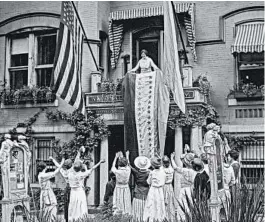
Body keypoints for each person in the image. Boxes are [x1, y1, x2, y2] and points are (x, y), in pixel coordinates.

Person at [170, 152, 197, 220]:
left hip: (183, 190)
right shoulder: (195, 172)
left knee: (183, 204)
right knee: (190, 204)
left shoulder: (183, 170)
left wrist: (172, 158)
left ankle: (182, 219)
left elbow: (175, 167)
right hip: (191, 189)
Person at [38, 157, 64, 222]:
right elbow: (55, 172)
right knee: (50, 207)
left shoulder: (41, 175)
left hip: (46, 192)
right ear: (45, 167)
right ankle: (50, 220)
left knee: (47, 207)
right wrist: (62, 164)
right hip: (47, 193)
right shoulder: (43, 175)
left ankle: (48, 219)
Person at [127, 151, 151, 222]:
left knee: (137, 207)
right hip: (146, 192)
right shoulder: (149, 173)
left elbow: (129, 166)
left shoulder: (136, 172)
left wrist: (127, 156)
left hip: (137, 192)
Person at [143, 157, 167, 222]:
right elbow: (164, 181)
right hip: (160, 190)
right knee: (159, 203)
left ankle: (151, 218)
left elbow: (148, 182)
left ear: (152, 166)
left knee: (151, 203)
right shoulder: (163, 172)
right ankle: (159, 218)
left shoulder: (152, 173)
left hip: (153, 189)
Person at [162, 155, 177, 222]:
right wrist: (172, 158)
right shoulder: (171, 169)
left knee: (164, 200)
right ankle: (170, 216)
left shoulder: (162, 170)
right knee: (170, 200)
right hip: (170, 186)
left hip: (164, 186)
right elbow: (173, 166)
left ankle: (164, 216)